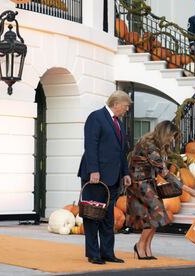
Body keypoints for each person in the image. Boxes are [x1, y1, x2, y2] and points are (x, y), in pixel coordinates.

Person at [126, 121, 195, 260]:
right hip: (139, 182)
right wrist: (187, 189)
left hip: (148, 181)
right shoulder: (149, 146)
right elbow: (164, 172)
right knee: (157, 213)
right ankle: (140, 245)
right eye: (171, 136)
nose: (172, 139)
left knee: (156, 216)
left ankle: (146, 248)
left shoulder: (154, 144)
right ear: (164, 133)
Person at [77, 90, 132, 265]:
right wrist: (94, 170)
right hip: (96, 177)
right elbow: (90, 144)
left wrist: (125, 173)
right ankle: (93, 254)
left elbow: (121, 151)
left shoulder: (119, 123)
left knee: (108, 217)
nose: (126, 110)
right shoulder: (96, 117)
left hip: (113, 177)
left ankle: (107, 252)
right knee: (93, 216)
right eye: (125, 106)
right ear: (116, 104)